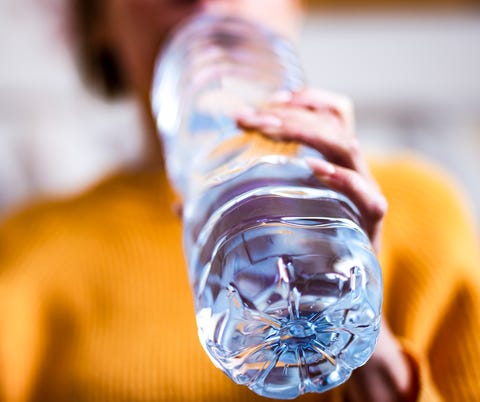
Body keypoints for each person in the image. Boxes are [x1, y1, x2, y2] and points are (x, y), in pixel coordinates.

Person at [0, 1, 479, 401]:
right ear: (98, 20)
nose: (206, 2)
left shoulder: (421, 213)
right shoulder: (27, 255)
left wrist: (374, 352)